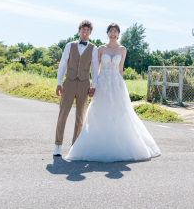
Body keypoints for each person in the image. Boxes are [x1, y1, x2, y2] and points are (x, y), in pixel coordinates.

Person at [65, 23, 160, 162]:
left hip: (116, 82)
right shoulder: (101, 49)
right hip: (102, 82)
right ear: (107, 33)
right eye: (111, 31)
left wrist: (121, 85)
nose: (113, 33)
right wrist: (93, 84)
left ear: (118, 34)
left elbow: (120, 69)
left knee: (119, 111)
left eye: (115, 31)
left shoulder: (122, 49)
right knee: (99, 110)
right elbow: (95, 68)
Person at [53, 20, 100, 157]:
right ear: (79, 31)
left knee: (80, 117)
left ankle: (75, 147)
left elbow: (94, 68)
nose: (85, 31)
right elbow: (62, 64)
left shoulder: (94, 48)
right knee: (63, 114)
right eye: (83, 29)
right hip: (69, 82)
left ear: (90, 32)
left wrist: (94, 86)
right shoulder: (70, 45)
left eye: (87, 30)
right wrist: (58, 83)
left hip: (84, 84)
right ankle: (58, 144)